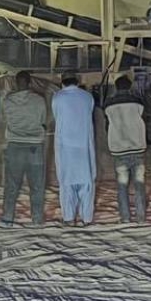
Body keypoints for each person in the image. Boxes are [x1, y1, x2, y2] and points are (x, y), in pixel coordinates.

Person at [0, 70, 48, 228]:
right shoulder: (39, 100)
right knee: (37, 186)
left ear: (16, 83)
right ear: (29, 82)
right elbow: (42, 120)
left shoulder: (8, 101)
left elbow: (5, 119)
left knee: (12, 185)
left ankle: (8, 217)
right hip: (35, 146)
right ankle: (37, 218)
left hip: (14, 145)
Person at [51, 71, 97, 227]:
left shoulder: (57, 97)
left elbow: (56, 116)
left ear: (62, 82)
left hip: (65, 147)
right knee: (87, 182)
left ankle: (69, 217)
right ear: (77, 82)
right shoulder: (87, 97)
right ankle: (87, 218)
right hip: (85, 145)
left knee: (66, 182)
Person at [104, 75, 147, 224]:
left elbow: (107, 124)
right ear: (130, 87)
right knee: (139, 184)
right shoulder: (138, 102)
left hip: (119, 149)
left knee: (122, 186)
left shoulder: (109, 104)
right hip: (137, 148)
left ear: (116, 87)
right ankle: (141, 217)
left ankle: (125, 217)